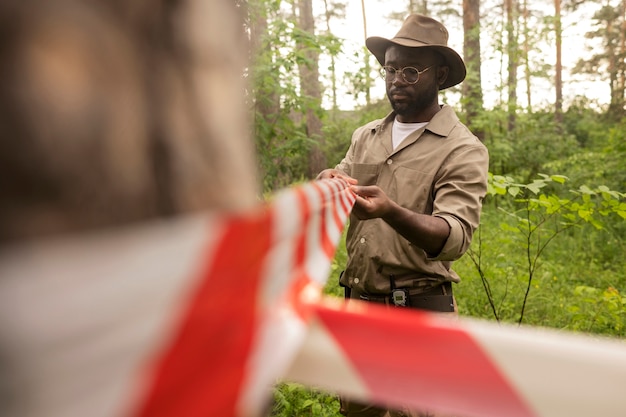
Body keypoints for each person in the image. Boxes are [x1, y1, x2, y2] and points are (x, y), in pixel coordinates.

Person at [317, 14, 489, 417]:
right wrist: (329, 182)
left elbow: (454, 237)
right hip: (359, 305)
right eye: (390, 68)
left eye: (410, 70)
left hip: (418, 313)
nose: (397, 79)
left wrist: (391, 211)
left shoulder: (462, 149)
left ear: (440, 74)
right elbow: (341, 180)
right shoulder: (366, 136)